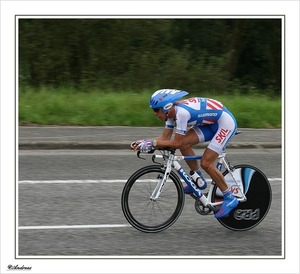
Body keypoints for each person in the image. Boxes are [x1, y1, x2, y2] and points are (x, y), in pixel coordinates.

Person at [131, 89, 239, 218]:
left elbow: (175, 143)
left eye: (156, 110)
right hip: (210, 123)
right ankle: (198, 180)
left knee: (206, 163)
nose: (155, 114)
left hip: (224, 124)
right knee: (184, 144)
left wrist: (152, 143)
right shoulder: (170, 114)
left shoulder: (181, 113)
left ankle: (229, 197)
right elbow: (165, 139)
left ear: (166, 107)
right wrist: (145, 141)